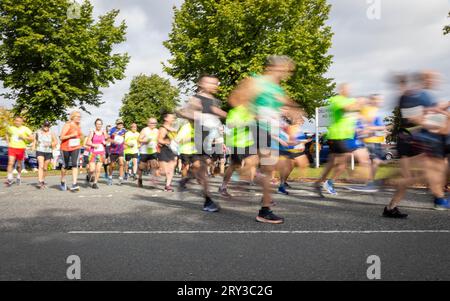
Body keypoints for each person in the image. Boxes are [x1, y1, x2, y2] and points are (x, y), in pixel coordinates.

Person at [228, 55, 300, 224]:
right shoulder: (257, 81)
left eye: (289, 70)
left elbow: (285, 105)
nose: (287, 73)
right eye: (285, 68)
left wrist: (292, 111)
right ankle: (263, 208)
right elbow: (234, 99)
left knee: (268, 170)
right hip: (260, 128)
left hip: (271, 130)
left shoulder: (277, 88)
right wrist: (252, 107)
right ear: (273, 67)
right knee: (267, 169)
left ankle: (246, 182)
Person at [384, 71, 450, 217]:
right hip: (408, 140)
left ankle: (391, 206)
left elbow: (434, 110)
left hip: (421, 140)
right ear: (425, 79)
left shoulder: (426, 96)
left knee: (436, 169)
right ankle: (438, 198)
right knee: (419, 175)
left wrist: (443, 112)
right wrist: (438, 125)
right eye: (433, 78)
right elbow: (414, 118)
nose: (437, 80)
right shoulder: (409, 95)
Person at [177, 74, 227, 212]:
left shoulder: (214, 100)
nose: (213, 86)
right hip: (202, 137)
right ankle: (208, 201)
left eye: (215, 83)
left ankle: (186, 179)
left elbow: (217, 117)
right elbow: (184, 112)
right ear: (201, 84)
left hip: (215, 137)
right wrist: (197, 115)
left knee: (203, 166)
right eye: (210, 83)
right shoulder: (196, 99)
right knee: (203, 170)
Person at [313, 84, 368, 197]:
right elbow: (346, 109)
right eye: (345, 88)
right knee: (343, 163)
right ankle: (329, 182)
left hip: (346, 136)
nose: (347, 90)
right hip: (337, 136)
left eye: (349, 88)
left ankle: (319, 183)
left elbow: (359, 115)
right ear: (341, 90)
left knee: (332, 163)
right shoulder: (336, 100)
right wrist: (359, 103)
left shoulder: (351, 100)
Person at [5, 116, 34, 187]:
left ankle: (18, 176)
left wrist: (24, 137)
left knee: (19, 165)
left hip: (21, 148)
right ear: (14, 121)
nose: (17, 122)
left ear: (22, 122)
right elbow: (6, 134)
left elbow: (32, 138)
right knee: (10, 162)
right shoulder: (11, 128)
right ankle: (9, 178)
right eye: (16, 121)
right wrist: (8, 142)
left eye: (19, 121)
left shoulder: (25, 129)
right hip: (12, 147)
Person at [59, 111, 83, 191]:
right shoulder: (68, 125)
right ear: (72, 117)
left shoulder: (79, 126)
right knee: (65, 166)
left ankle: (74, 183)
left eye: (80, 117)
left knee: (75, 164)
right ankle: (62, 180)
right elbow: (61, 137)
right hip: (65, 148)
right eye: (77, 116)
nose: (79, 118)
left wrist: (81, 141)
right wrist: (71, 135)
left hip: (76, 147)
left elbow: (80, 136)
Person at [32, 120, 58, 189]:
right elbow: (34, 140)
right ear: (42, 125)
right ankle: (40, 181)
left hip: (48, 152)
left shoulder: (52, 133)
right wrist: (33, 146)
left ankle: (43, 180)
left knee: (45, 168)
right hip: (40, 151)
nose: (46, 127)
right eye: (45, 125)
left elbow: (56, 141)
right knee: (41, 165)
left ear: (49, 126)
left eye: (48, 126)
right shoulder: (38, 132)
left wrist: (50, 144)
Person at [157, 112, 178, 192]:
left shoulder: (173, 129)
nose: (173, 119)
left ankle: (167, 185)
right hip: (164, 150)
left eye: (173, 118)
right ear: (166, 118)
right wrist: (167, 142)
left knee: (171, 168)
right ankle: (156, 171)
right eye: (171, 117)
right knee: (164, 171)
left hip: (171, 150)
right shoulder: (163, 129)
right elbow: (159, 140)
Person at [85, 118, 108, 189]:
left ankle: (95, 183)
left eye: (100, 124)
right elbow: (87, 142)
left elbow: (107, 141)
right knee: (92, 169)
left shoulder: (103, 132)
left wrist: (105, 140)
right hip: (93, 153)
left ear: (102, 125)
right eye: (98, 124)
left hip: (101, 153)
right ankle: (89, 176)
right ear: (95, 125)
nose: (99, 125)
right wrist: (94, 145)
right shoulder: (92, 132)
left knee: (98, 169)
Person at [137, 118, 159, 188]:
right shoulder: (144, 130)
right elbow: (139, 139)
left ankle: (153, 182)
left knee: (154, 166)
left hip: (153, 151)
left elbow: (158, 140)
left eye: (155, 123)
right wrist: (144, 141)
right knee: (141, 167)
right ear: (148, 123)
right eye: (152, 123)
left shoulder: (157, 131)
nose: (154, 124)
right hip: (144, 151)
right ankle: (139, 179)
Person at [108, 119, 127, 186]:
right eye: (119, 124)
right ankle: (110, 177)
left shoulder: (124, 130)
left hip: (120, 149)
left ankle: (120, 179)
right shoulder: (112, 130)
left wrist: (126, 144)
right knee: (112, 165)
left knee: (121, 163)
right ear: (116, 124)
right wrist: (113, 141)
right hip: (113, 150)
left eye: (121, 124)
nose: (120, 125)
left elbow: (123, 139)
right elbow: (108, 139)